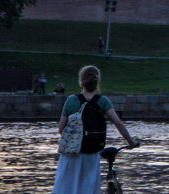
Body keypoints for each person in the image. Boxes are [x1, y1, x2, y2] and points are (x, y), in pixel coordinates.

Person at [52, 65, 138, 194]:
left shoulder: (71, 100)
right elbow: (118, 123)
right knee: (88, 187)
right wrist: (130, 142)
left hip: (71, 153)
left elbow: (61, 129)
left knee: (67, 187)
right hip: (91, 153)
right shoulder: (102, 101)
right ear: (97, 82)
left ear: (81, 81)